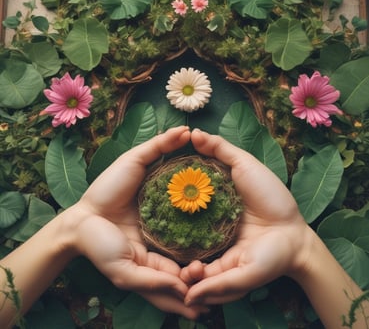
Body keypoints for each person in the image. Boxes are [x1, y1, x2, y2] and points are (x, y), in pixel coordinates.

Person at [0, 126, 367, 328]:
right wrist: (301, 246)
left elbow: (199, 193)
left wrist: (76, 224)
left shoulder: (208, 193)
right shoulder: (173, 190)